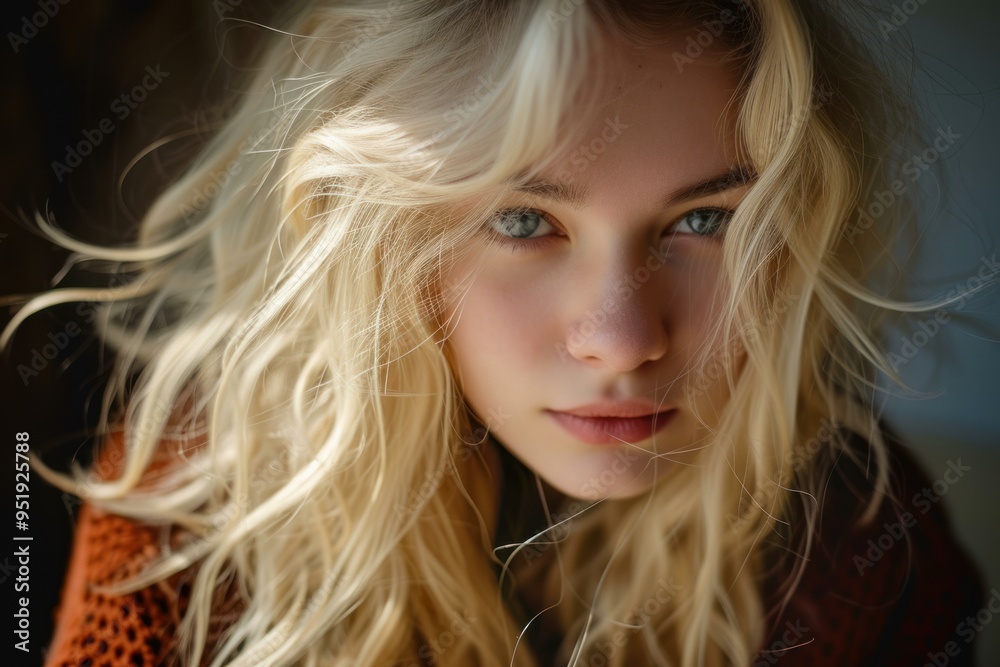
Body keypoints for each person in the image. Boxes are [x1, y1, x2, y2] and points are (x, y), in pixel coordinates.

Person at [3, 0, 988, 665]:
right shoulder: (191, 518)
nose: (622, 337)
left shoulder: (868, 542)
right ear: (379, 241)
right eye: (522, 222)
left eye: (705, 220)